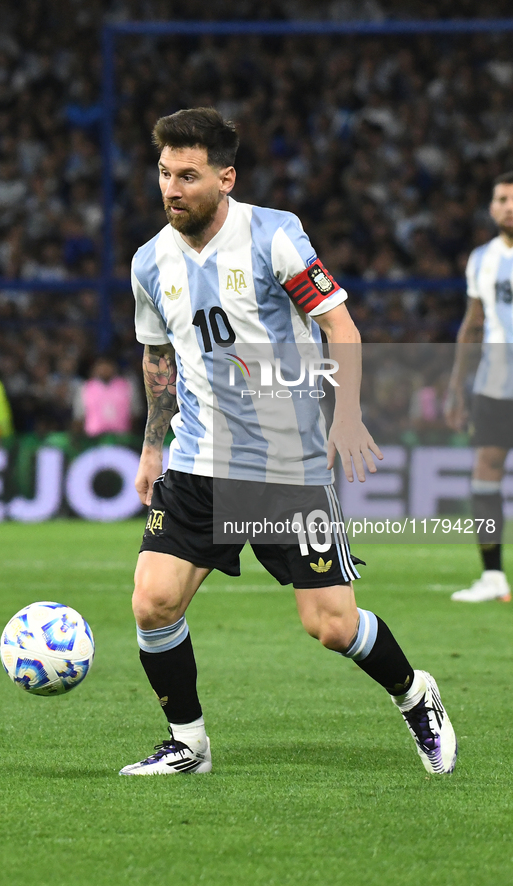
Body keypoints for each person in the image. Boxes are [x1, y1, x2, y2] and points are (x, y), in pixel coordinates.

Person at [122, 107, 457, 776]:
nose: (172, 189)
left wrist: (345, 415)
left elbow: (341, 327)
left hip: (286, 464)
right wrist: (153, 444)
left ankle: (414, 693)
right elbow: (159, 358)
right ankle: (188, 741)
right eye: (164, 174)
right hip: (197, 460)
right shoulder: (149, 262)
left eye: (188, 175)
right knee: (152, 601)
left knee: (330, 625)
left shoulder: (274, 235)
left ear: (225, 177)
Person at [445, 171, 513, 603]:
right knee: (486, 468)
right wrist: (455, 389)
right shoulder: (481, 259)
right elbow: (473, 325)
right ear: (491, 208)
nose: (508, 206)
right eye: (502, 199)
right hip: (494, 385)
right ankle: (493, 577)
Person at [73, 356, 139, 437]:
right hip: (94, 438)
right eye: (101, 366)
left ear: (114, 367)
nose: (105, 369)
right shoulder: (85, 387)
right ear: (95, 369)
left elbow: (135, 413)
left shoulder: (127, 385)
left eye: (108, 366)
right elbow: (79, 416)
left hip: (121, 437)